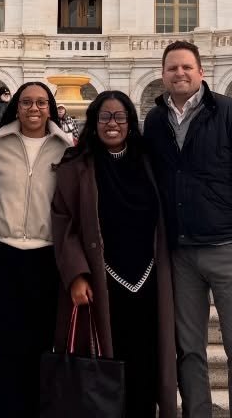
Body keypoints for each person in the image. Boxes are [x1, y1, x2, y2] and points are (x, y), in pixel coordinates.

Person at [144, 40, 232, 418]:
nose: (180, 73)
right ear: (163, 74)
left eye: (187, 67)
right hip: (181, 253)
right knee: (189, 349)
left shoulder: (230, 111)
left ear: (201, 71)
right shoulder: (155, 120)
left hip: (230, 247)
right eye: (172, 68)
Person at [52, 91, 178, 418]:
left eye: (120, 117)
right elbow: (63, 220)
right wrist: (77, 274)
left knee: (147, 360)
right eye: (104, 117)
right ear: (93, 123)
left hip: (149, 279)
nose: (112, 124)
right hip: (100, 281)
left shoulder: (148, 162)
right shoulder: (76, 165)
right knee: (107, 364)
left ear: (130, 123)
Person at [0, 81, 71, 418]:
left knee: (40, 344)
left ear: (51, 107)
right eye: (27, 102)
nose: (34, 108)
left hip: (46, 259)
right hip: (1, 257)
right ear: (16, 106)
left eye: (41, 103)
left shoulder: (67, 148)